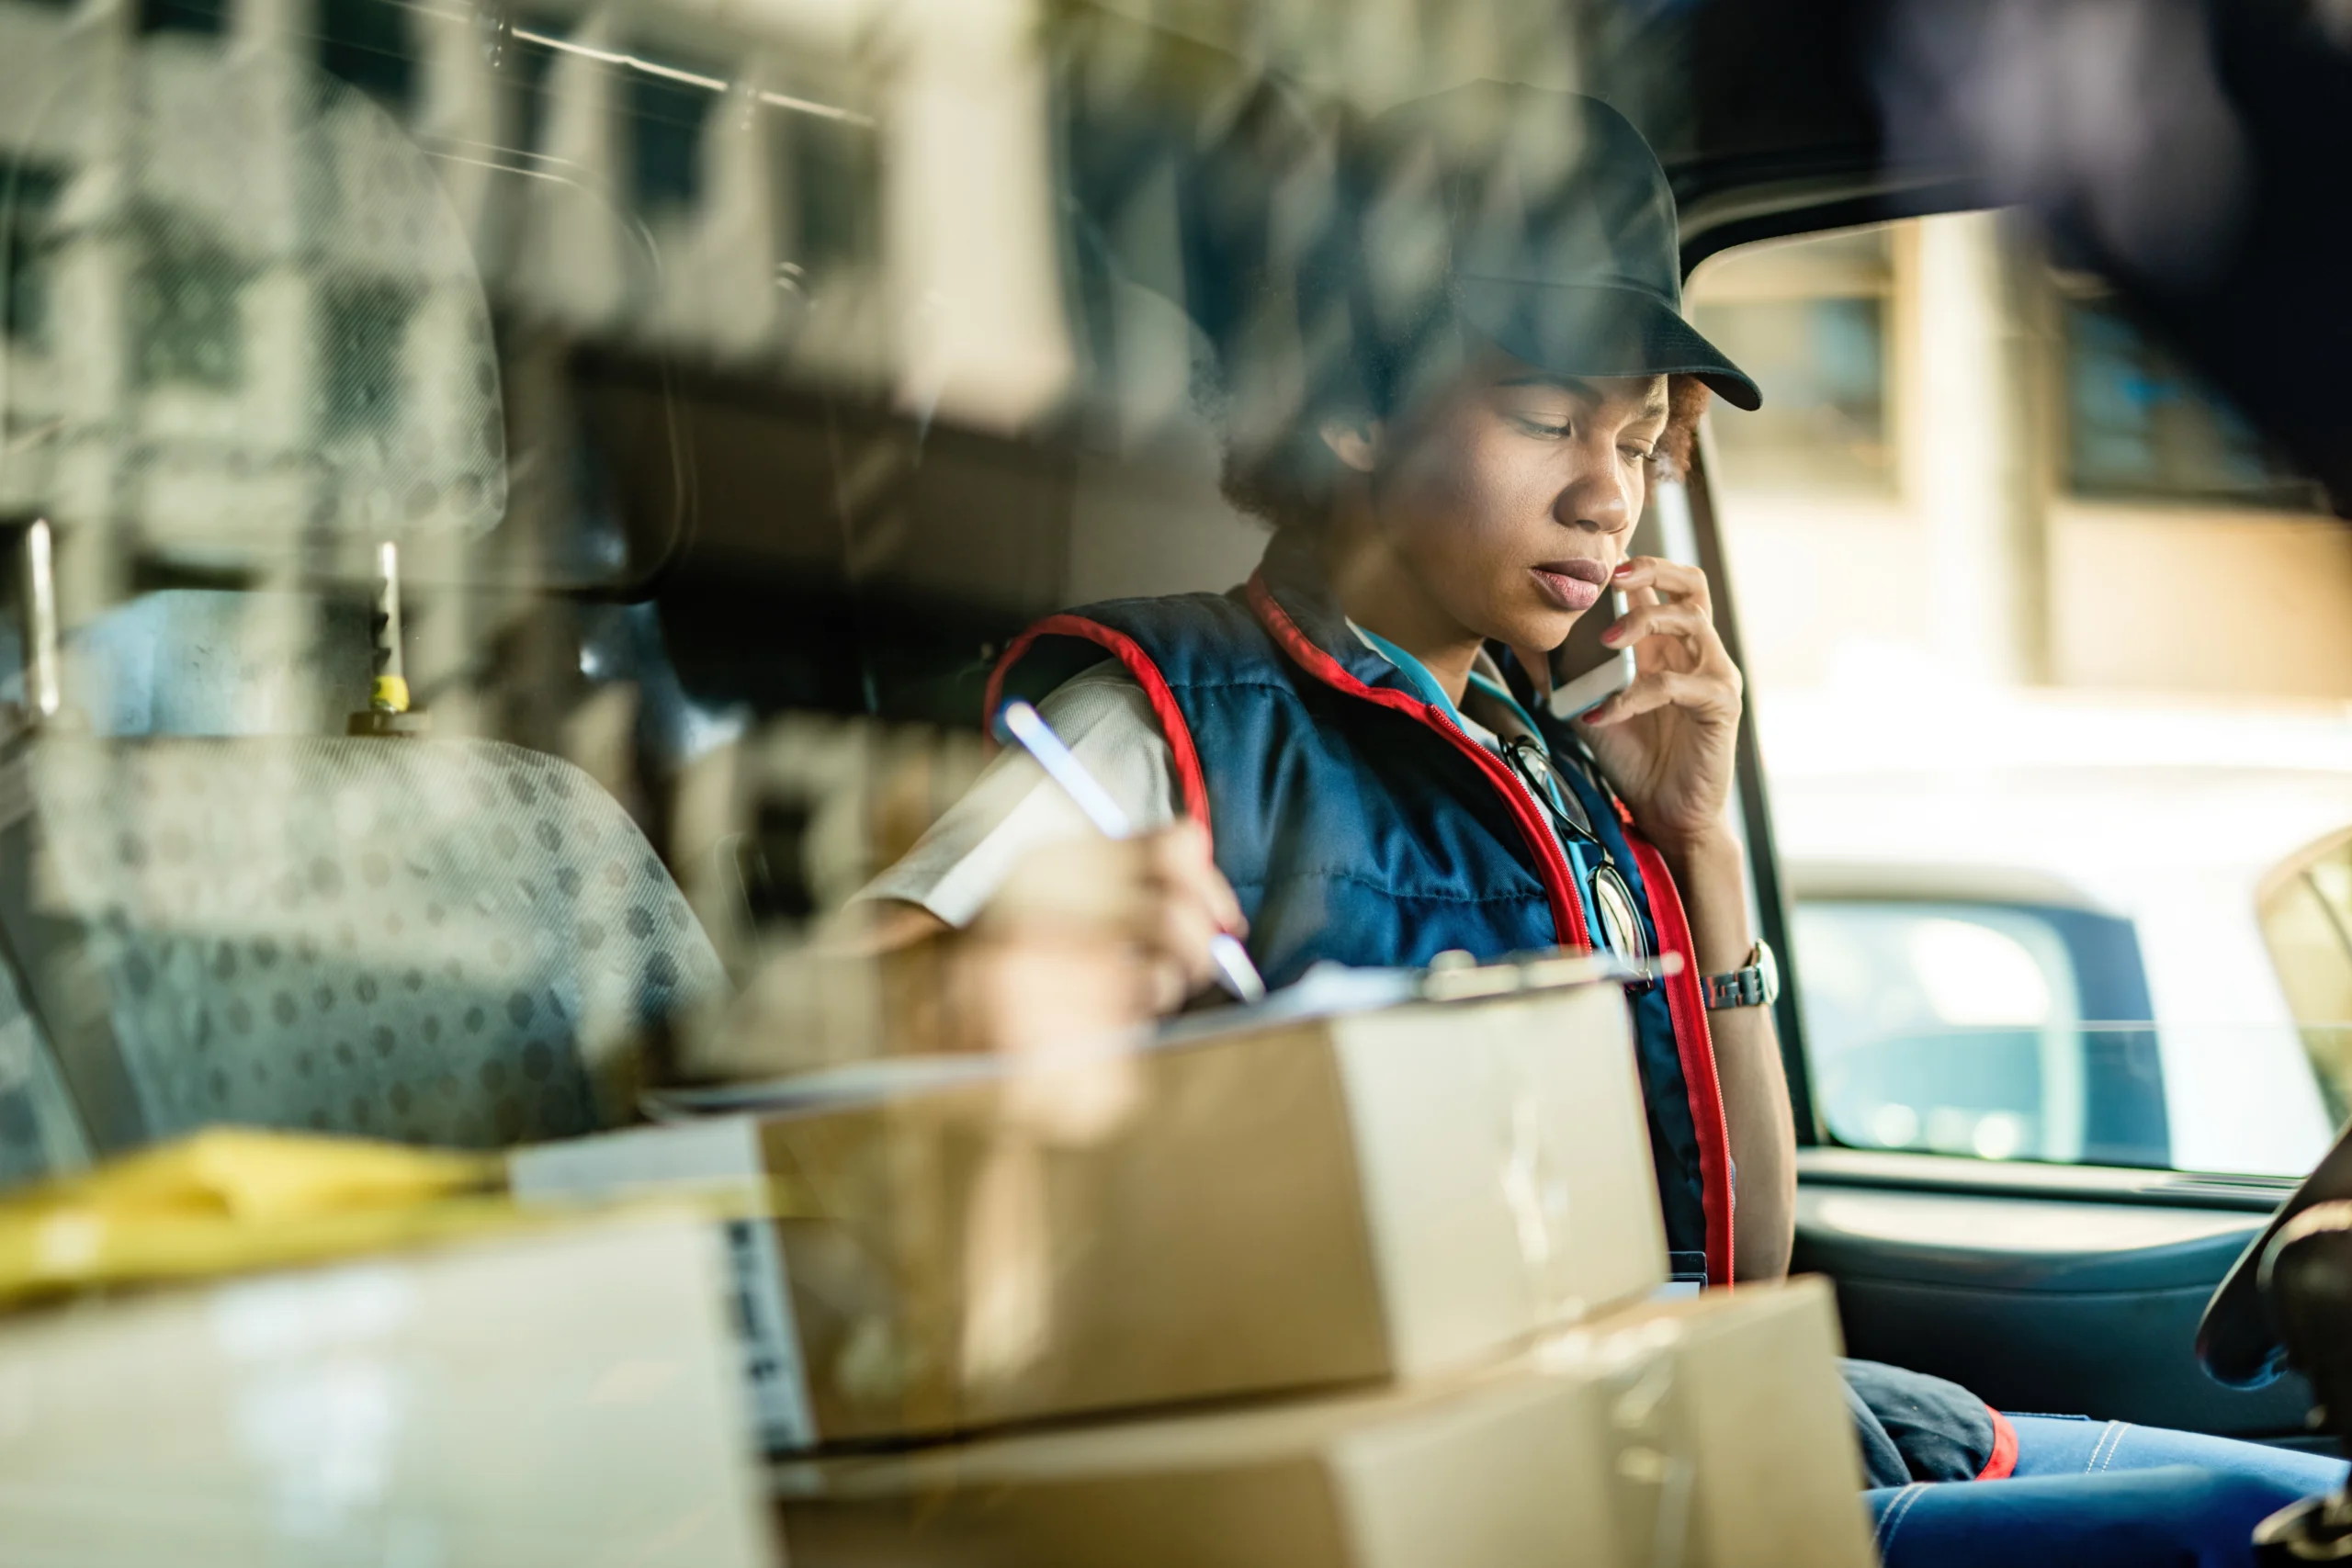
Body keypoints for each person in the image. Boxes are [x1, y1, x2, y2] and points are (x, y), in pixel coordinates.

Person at [852, 82, 2344, 1561]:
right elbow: (861, 1004)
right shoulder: (1170, 708)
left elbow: (1738, 1273)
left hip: (1729, 1412)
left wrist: (1701, 844)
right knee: (2247, 1531)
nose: (1605, 497)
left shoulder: (1563, 759)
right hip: (1533, 1491)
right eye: (1547, 421)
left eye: (1636, 443)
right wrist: (1036, 976)